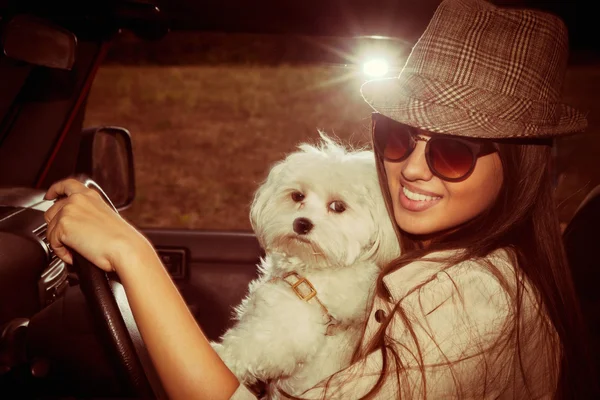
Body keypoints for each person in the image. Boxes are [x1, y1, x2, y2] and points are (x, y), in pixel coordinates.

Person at [43, 0, 596, 398]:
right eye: (397, 137)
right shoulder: (429, 260)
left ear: (519, 165)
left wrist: (133, 255)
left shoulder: (474, 297)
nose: (412, 168)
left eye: (454, 151)